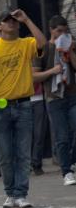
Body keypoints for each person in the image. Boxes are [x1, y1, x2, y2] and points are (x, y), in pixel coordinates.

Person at [0, 9, 46, 208]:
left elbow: (42, 43)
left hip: (23, 103)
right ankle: (10, 193)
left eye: (14, 21)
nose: (11, 23)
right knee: (5, 152)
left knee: (23, 152)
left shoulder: (25, 43)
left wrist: (27, 18)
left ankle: (21, 194)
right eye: (7, 21)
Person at [33, 15, 76, 186]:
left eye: (65, 31)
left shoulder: (71, 45)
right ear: (51, 30)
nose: (62, 35)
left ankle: (71, 161)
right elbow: (34, 75)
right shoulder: (44, 48)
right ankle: (67, 171)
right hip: (54, 98)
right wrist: (52, 71)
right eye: (59, 31)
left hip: (72, 95)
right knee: (62, 136)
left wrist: (71, 51)